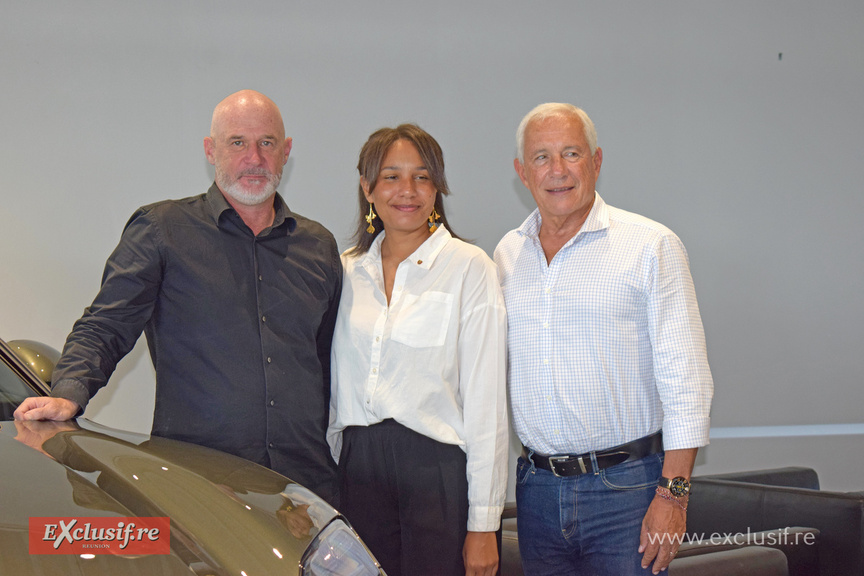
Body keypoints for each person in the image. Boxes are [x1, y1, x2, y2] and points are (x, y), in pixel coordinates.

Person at [14, 90, 342, 504]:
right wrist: (68, 392)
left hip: (305, 486)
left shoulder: (318, 246)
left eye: (267, 143)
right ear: (211, 150)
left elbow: (329, 359)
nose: (254, 158)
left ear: (286, 151)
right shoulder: (161, 230)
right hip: (200, 480)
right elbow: (107, 324)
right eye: (237, 142)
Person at [494, 103, 714, 575]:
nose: (557, 171)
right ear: (521, 172)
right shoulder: (508, 255)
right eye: (541, 157)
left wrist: (673, 496)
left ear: (596, 161)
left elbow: (687, 382)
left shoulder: (650, 246)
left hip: (628, 491)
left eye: (571, 153)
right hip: (537, 490)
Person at [327, 124, 508, 576]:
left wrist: (483, 525)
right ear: (367, 188)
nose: (407, 191)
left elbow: (486, 405)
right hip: (357, 473)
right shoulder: (345, 271)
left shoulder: (469, 268)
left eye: (422, 177)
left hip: (436, 475)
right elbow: (329, 386)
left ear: (437, 189)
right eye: (390, 177)